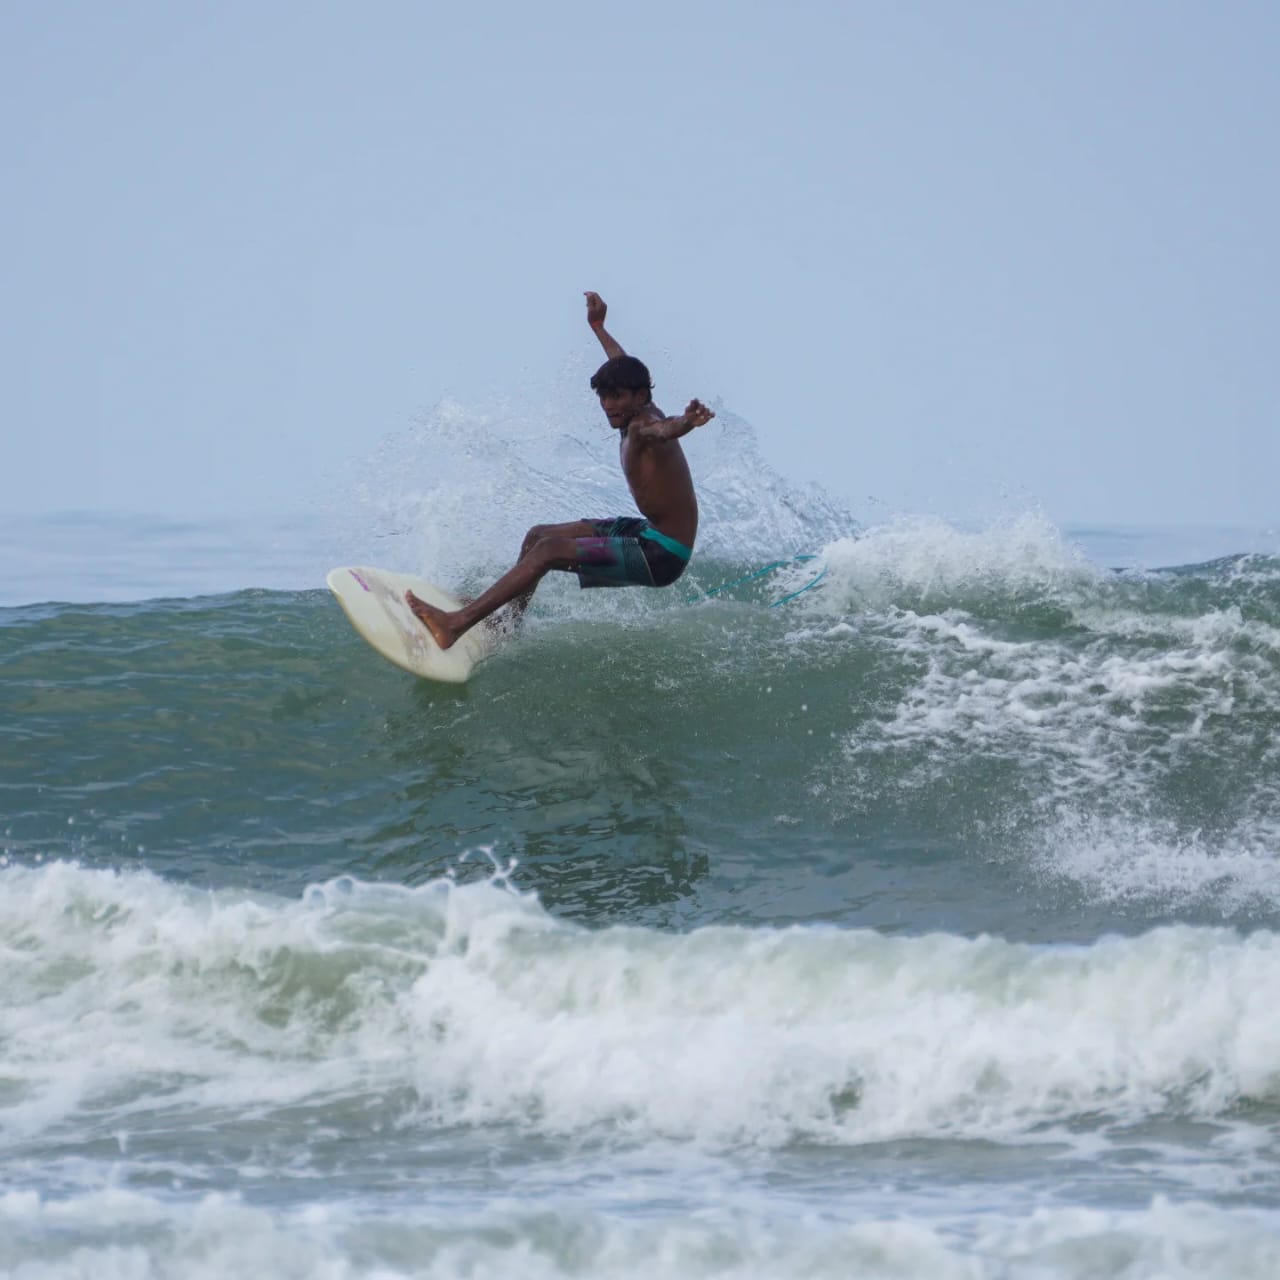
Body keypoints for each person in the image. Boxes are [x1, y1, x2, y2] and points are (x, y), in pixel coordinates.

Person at [405, 292, 715, 650]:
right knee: (538, 535)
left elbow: (666, 430)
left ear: (641, 396)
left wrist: (687, 424)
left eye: (617, 397)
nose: (609, 405)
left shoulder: (646, 425)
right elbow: (621, 361)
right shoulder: (636, 405)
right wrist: (598, 327)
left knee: (550, 551)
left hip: (663, 555)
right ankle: (508, 625)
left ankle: (455, 625)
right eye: (604, 397)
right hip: (646, 532)